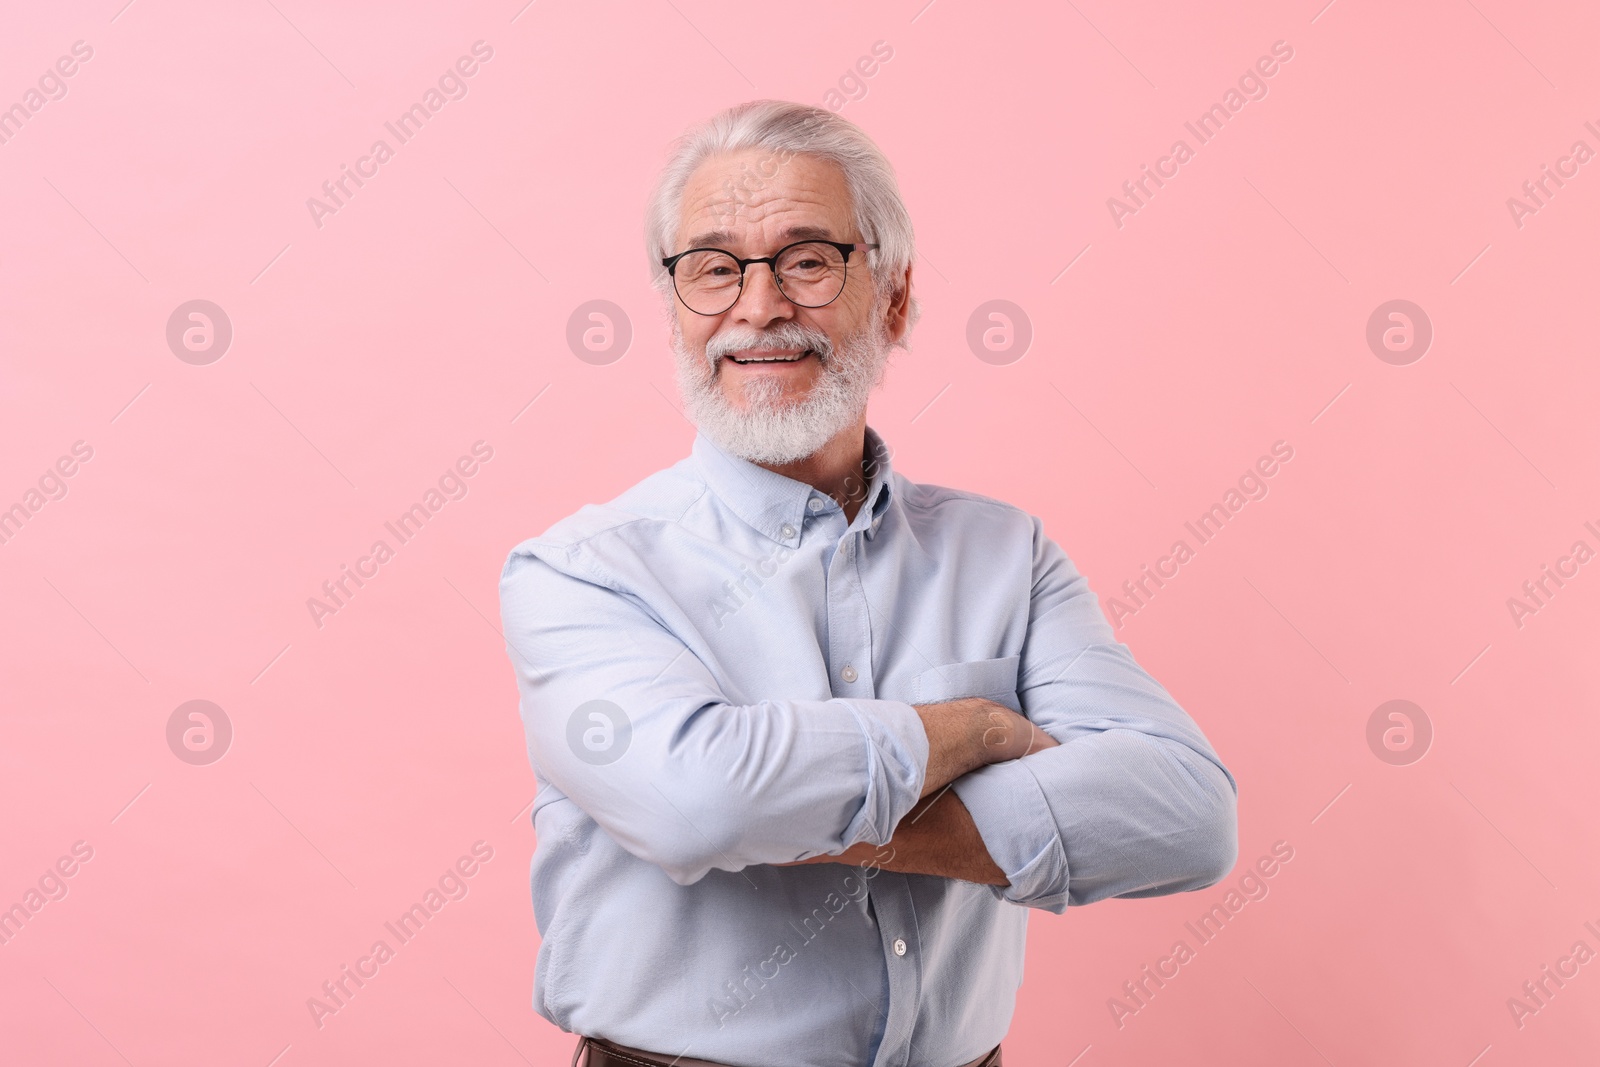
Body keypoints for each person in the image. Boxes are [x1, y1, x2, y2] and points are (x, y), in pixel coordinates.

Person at [498, 99, 1238, 1067]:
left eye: (807, 260)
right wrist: (966, 732)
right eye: (713, 269)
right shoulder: (581, 572)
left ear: (891, 296)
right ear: (676, 305)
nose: (756, 308)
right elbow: (697, 804)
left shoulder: (1005, 553)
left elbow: (1188, 813)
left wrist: (783, 800)